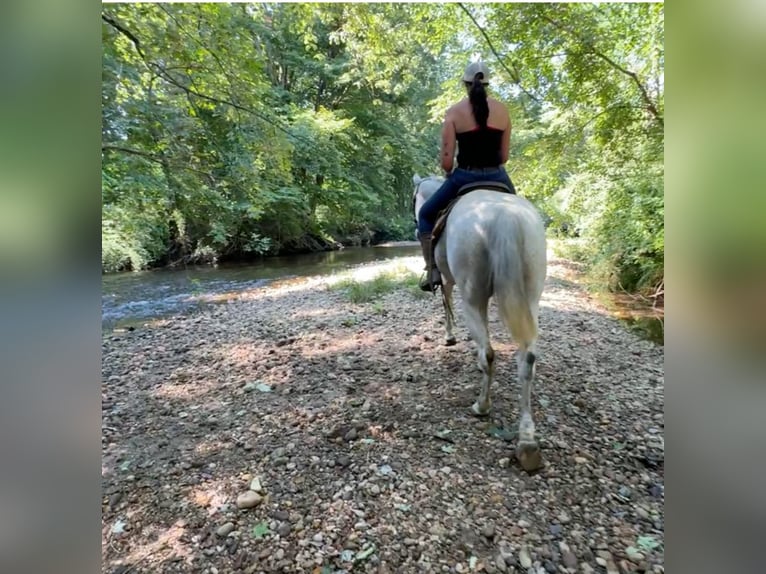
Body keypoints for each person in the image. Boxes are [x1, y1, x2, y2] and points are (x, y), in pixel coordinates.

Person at [417, 60, 516, 291]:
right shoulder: (502, 111)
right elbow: (503, 157)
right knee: (523, 211)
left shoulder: (453, 112)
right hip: (498, 177)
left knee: (425, 214)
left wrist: (449, 171)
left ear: (465, 84)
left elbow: (446, 161)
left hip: (464, 177)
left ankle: (432, 270)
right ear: (488, 84)